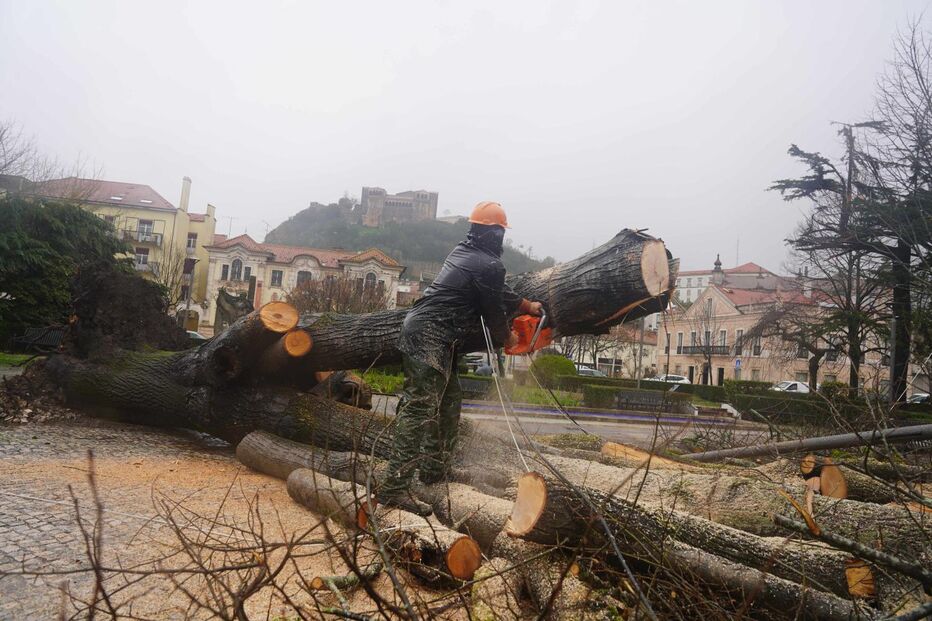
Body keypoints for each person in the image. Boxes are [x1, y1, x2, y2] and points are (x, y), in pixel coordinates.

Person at [378, 201, 543, 515]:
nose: (500, 239)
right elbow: (494, 311)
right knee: (420, 409)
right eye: (499, 233)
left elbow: (495, 289)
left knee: (449, 401)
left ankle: (435, 469)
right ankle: (394, 489)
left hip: (434, 334)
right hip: (429, 334)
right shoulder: (487, 263)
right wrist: (510, 338)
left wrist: (525, 305)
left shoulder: (463, 252)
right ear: (494, 233)